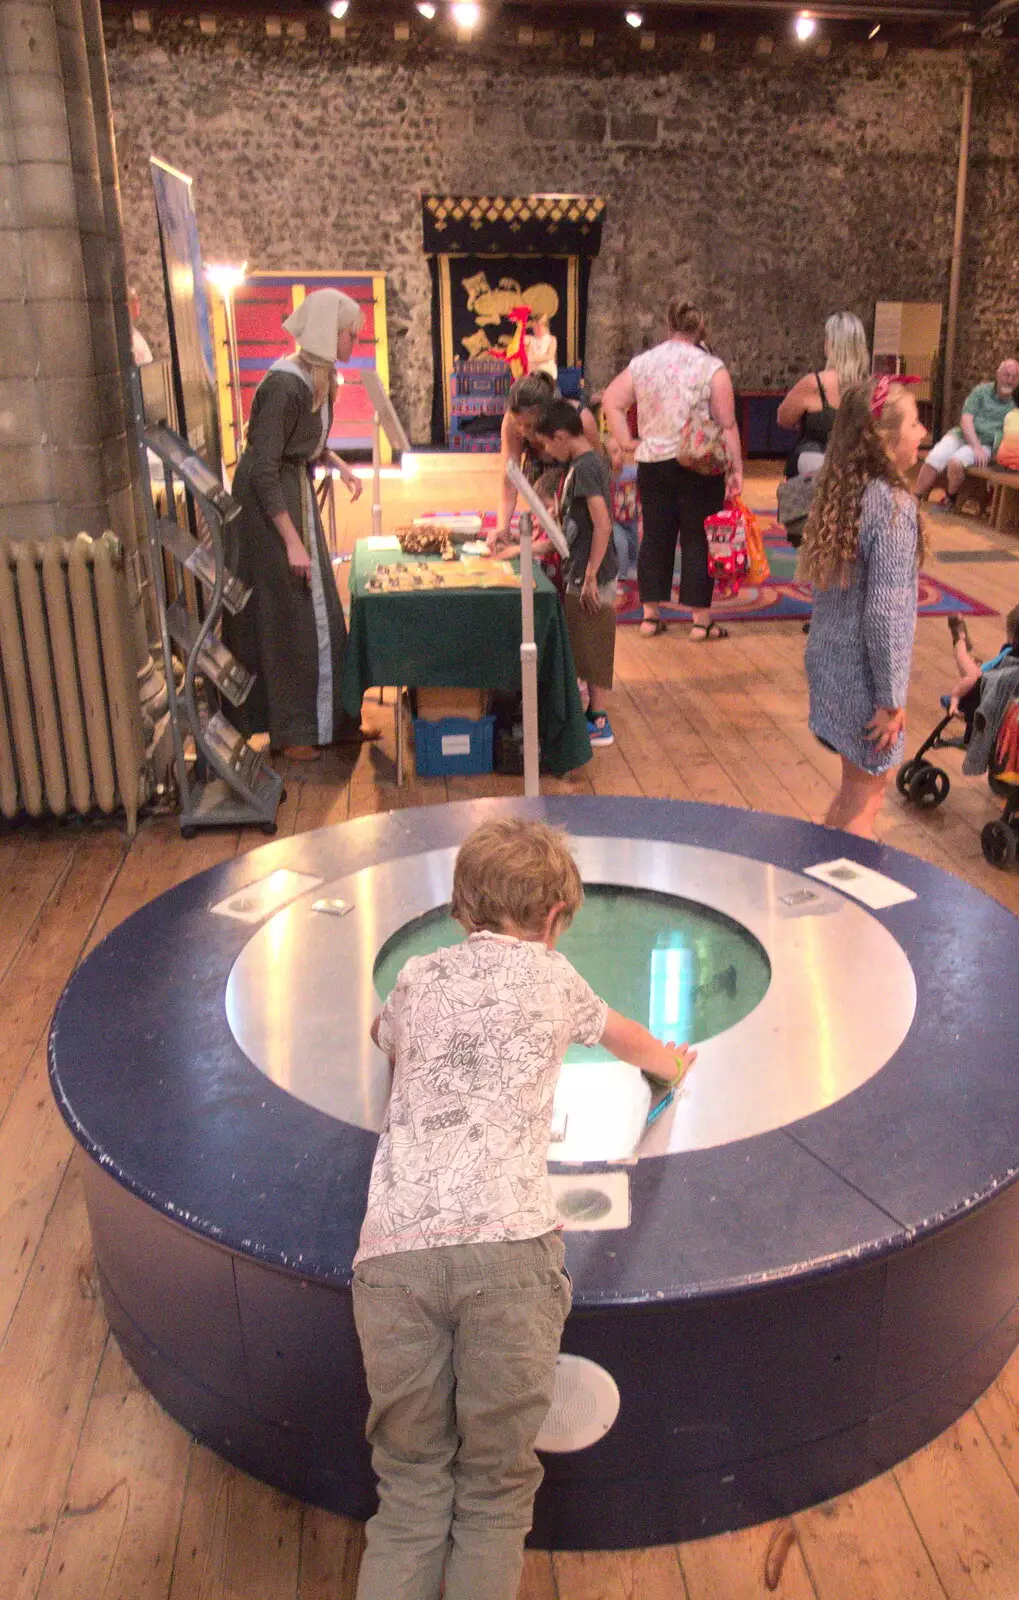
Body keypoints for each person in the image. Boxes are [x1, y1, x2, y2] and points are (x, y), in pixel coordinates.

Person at [352, 818, 696, 1600]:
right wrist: (673, 1064)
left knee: (408, 1492)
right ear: (551, 922)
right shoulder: (555, 978)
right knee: (493, 1492)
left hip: (394, 1259)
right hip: (509, 1258)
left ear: (461, 910)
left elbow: (385, 1036)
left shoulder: (415, 977)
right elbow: (632, 1042)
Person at [223, 287, 368, 760]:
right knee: (288, 615)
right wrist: (291, 541)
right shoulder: (285, 385)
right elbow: (264, 465)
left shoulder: (319, 379)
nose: (354, 342)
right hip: (268, 507)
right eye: (350, 334)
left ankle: (332, 719)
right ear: (331, 333)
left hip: (292, 492)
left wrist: (339, 464)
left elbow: (300, 443)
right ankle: (290, 731)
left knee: (321, 608)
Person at [801, 377, 927, 838]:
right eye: (914, 422)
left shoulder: (844, 494)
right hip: (862, 676)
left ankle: (817, 875)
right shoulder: (892, 506)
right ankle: (845, 899)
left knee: (853, 787)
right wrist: (891, 700)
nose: (923, 433)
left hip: (830, 661)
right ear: (884, 439)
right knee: (866, 799)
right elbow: (885, 615)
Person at [601, 297, 744, 641]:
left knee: (655, 536)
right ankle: (700, 621)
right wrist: (736, 469)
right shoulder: (712, 368)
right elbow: (727, 424)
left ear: (668, 325)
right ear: (700, 328)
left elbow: (611, 400)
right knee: (698, 539)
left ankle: (650, 617)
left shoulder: (644, 363)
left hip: (653, 461)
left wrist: (626, 441)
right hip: (699, 462)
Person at [536, 399, 619, 748]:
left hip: (590, 570)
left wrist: (589, 576)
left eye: (545, 444)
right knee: (585, 642)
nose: (545, 451)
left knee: (592, 644)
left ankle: (598, 719)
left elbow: (602, 524)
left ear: (560, 436)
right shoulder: (587, 462)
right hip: (585, 564)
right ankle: (591, 714)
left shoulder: (584, 468)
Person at [776, 312, 870, 536]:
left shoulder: (814, 384)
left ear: (832, 344)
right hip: (854, 476)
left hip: (814, 476)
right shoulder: (869, 388)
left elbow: (783, 418)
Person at [492, 373, 602, 541]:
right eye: (518, 424)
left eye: (529, 425)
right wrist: (503, 527)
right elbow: (509, 480)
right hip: (544, 496)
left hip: (579, 498)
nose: (523, 430)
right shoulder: (513, 422)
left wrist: (561, 512)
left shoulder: (581, 419)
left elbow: (598, 479)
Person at [915, 358, 1019, 506]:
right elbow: (966, 421)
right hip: (964, 435)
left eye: (1014, 376)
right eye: (1006, 375)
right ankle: (916, 496)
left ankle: (950, 499)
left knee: (956, 462)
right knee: (937, 455)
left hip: (988, 443)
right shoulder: (981, 391)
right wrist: (976, 446)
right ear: (998, 375)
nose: (1010, 380)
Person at [525, 314, 558, 382]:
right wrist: (524, 326)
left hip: (547, 376)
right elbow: (519, 340)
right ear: (533, 326)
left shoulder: (552, 339)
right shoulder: (529, 339)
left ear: (546, 326)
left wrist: (530, 358)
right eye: (537, 325)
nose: (540, 327)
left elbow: (549, 356)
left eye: (543, 324)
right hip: (533, 377)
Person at [127, 284, 153, 367]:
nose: (136, 304)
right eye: (131, 301)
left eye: (137, 300)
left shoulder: (136, 334)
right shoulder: (121, 337)